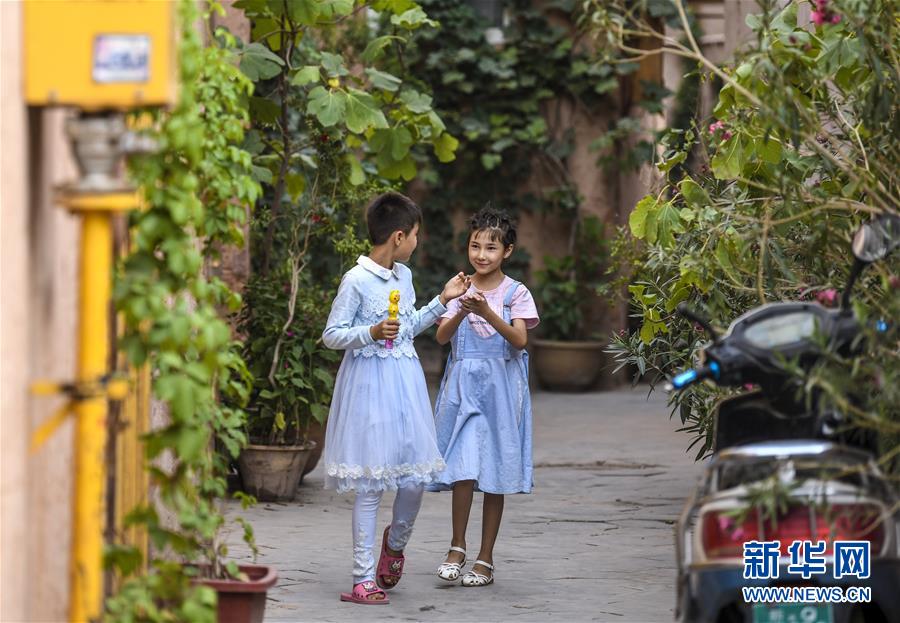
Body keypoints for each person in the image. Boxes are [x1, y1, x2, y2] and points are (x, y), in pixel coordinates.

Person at [321, 192, 469, 605]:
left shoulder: (404, 277)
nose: (417, 242)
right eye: (415, 235)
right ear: (399, 236)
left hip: (406, 383)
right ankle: (362, 577)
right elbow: (331, 335)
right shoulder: (355, 280)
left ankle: (396, 543)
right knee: (371, 481)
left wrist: (442, 299)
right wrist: (368, 333)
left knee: (415, 477)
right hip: (369, 387)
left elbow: (408, 328)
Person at [429, 206, 539, 587]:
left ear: (507, 251)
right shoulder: (459, 287)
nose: (481, 254)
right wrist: (461, 309)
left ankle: (485, 557)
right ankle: (456, 546)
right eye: (475, 245)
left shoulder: (516, 293)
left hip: (500, 396)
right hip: (463, 393)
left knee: (493, 473)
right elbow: (441, 337)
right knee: (462, 466)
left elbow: (520, 340)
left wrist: (489, 313)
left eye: (491, 248)